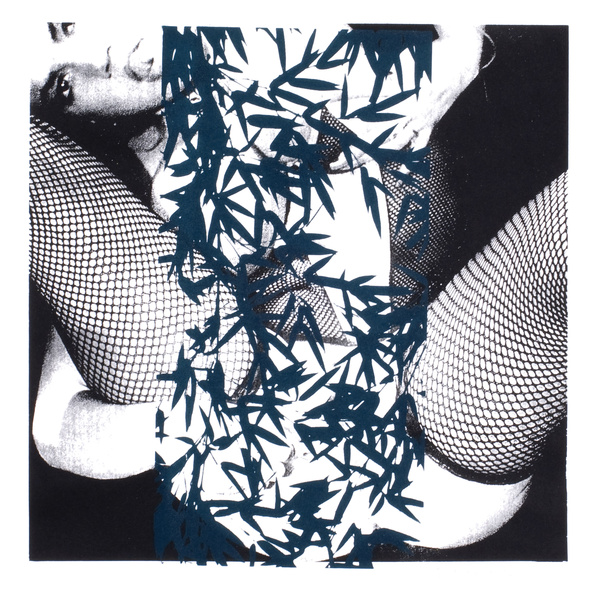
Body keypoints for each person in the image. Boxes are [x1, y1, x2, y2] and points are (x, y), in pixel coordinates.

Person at [29, 23, 567, 562]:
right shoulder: (110, 192)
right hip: (286, 442)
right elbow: (54, 429)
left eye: (64, 25)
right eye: (61, 87)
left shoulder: (306, 34)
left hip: (426, 394)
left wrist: (465, 43)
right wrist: (194, 428)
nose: (98, 61)